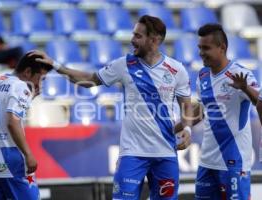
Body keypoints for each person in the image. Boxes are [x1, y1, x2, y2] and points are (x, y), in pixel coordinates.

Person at [29, 15, 193, 199]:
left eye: (138, 36)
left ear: (154, 40)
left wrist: (187, 128)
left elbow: (186, 107)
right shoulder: (124, 65)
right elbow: (89, 80)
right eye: (133, 34)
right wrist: (56, 65)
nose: (132, 40)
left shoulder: (176, 70)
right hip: (132, 154)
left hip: (166, 154)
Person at [176, 23, 259, 200]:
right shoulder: (203, 76)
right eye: (199, 47)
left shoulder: (240, 74)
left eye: (206, 48)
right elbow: (203, 110)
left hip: (234, 163)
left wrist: (245, 88)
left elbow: (259, 101)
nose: (201, 52)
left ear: (222, 48)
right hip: (207, 162)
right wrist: (180, 127)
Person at [0, 52, 52, 200]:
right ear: (27, 72)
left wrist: (29, 99)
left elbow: (1, 112)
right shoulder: (20, 87)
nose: (40, 84)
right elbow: (12, 121)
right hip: (11, 162)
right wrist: (28, 154)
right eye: (40, 78)